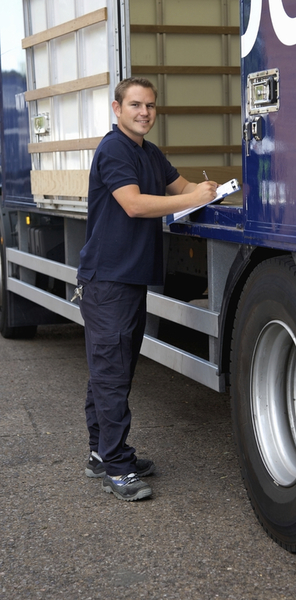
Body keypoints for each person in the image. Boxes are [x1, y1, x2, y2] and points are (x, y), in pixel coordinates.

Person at [76, 77, 218, 502]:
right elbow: (135, 204)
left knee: (112, 370)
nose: (144, 112)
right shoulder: (114, 150)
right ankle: (117, 468)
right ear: (116, 109)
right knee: (112, 373)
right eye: (136, 104)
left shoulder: (149, 152)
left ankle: (101, 454)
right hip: (108, 280)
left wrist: (208, 191)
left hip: (129, 278)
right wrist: (189, 199)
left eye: (150, 106)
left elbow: (181, 187)